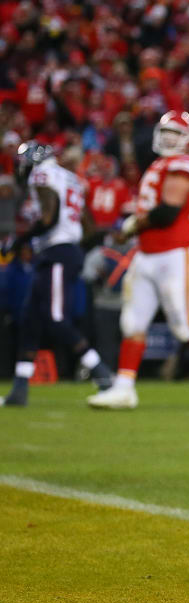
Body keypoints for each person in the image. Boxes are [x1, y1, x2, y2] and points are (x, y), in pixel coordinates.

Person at [88, 111, 189, 411]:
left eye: (176, 132)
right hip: (147, 253)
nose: (169, 137)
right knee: (132, 321)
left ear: (188, 139)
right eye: (166, 130)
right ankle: (124, 388)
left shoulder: (185, 165)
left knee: (183, 325)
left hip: (175, 252)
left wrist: (132, 224)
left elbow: (169, 211)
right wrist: (134, 227)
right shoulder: (159, 164)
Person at [1, 142, 113, 406]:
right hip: (60, 251)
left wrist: (22, 240)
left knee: (56, 318)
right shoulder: (70, 178)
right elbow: (88, 224)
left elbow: (49, 218)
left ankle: (102, 373)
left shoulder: (44, 174)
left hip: (57, 252)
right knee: (30, 320)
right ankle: (19, 389)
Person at [81, 219, 135, 372]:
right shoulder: (102, 252)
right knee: (106, 344)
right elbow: (87, 274)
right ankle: (106, 376)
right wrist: (99, 278)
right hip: (105, 303)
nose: (120, 235)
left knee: (128, 343)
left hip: (129, 304)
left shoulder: (137, 252)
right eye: (117, 232)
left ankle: (126, 376)